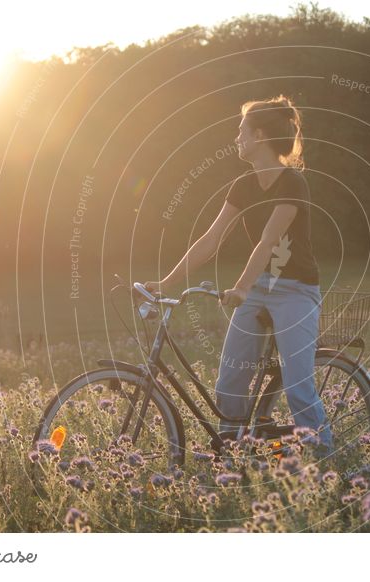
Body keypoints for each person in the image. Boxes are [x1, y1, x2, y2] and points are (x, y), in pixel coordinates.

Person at [144, 94, 334, 459]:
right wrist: (165, 283)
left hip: (296, 291)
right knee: (230, 384)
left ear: (259, 136)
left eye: (241, 131)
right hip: (258, 289)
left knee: (297, 386)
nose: (237, 138)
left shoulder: (293, 183)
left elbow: (267, 241)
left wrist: (242, 287)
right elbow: (211, 240)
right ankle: (230, 459)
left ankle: (326, 462)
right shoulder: (242, 186)